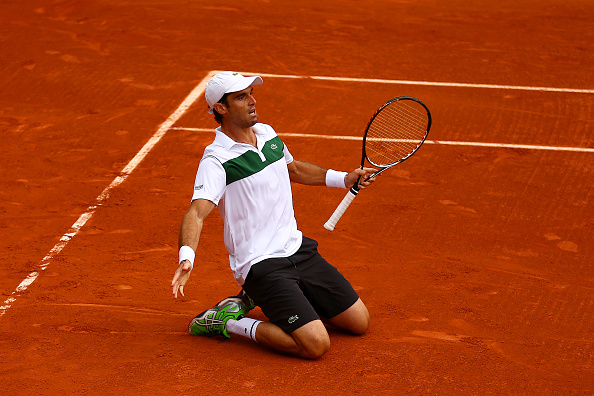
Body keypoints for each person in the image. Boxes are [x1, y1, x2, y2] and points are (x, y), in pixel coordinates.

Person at [171, 71, 377, 360]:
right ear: (221, 108)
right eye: (241, 97)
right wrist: (186, 256)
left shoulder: (267, 133)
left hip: (297, 249)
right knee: (315, 345)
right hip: (261, 264)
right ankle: (228, 321)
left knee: (359, 323)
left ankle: (277, 300)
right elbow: (197, 212)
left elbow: (293, 170)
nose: (252, 101)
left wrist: (343, 178)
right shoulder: (217, 160)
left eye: (251, 94)